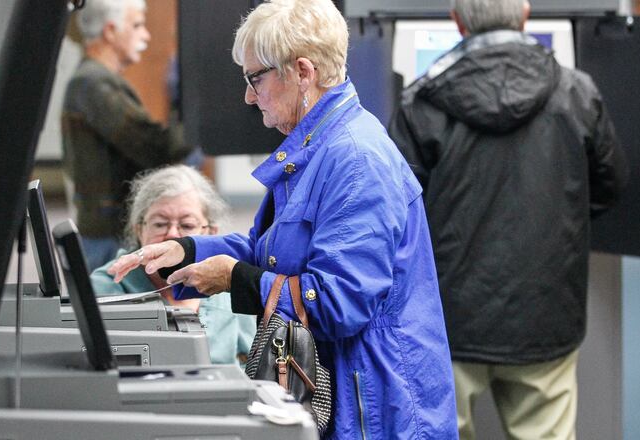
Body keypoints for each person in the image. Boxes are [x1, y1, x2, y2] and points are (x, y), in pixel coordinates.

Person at [108, 1, 458, 438]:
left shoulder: (354, 161)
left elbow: (338, 303)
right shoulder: (317, 149)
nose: (249, 96)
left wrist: (237, 279)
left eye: (256, 78)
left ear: (303, 72)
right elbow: (269, 251)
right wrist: (187, 250)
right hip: (355, 393)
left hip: (377, 407)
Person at [388, 1, 628, 439]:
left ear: (457, 21)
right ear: (525, 15)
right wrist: (563, 215)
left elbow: (396, 213)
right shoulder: (577, 92)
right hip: (546, 312)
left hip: (449, 319)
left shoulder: (421, 103)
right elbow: (610, 186)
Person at [62, 0, 193, 271]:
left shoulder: (97, 80)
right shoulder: (93, 83)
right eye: (137, 25)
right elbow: (155, 147)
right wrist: (197, 118)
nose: (145, 35)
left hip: (109, 231)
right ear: (110, 31)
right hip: (109, 237)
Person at [90, 165, 256, 366]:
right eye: (160, 224)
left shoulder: (228, 283)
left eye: (186, 225)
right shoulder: (106, 286)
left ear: (211, 233)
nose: (172, 235)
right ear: (139, 230)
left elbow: (253, 367)